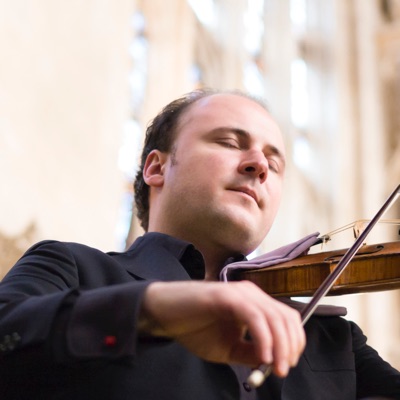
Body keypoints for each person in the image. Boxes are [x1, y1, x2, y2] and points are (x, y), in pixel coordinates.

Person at [0, 88, 399, 400]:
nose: (259, 165)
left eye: (275, 164)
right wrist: (155, 310)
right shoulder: (70, 267)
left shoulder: (334, 338)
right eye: (229, 142)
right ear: (156, 167)